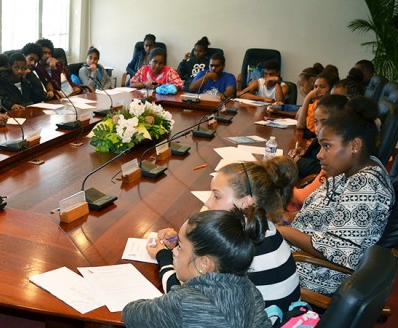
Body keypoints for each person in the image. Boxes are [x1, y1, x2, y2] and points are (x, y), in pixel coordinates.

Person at [153, 159, 301, 317]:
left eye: (217, 196)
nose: (208, 203)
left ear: (245, 203)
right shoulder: (266, 229)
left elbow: (185, 301)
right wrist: (184, 245)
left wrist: (163, 257)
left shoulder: (236, 250)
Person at [278, 99, 394, 295]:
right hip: (299, 254)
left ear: (355, 145)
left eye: (327, 146)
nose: (319, 155)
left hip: (317, 273)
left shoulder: (366, 186)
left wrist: (282, 231)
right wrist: (283, 220)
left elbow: (340, 251)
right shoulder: (349, 171)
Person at [123, 208, 272, 328]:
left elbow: (131, 315)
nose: (174, 251)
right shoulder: (250, 290)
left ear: (203, 264)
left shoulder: (184, 302)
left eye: (180, 247)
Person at [291, 95, 349, 181]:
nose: (317, 129)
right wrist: (304, 152)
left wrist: (299, 161)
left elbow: (321, 170)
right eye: (316, 122)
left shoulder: (341, 147)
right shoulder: (320, 139)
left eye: (325, 122)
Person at [296, 65, 339, 138]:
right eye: (315, 87)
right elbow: (300, 124)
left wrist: (307, 97)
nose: (317, 91)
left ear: (331, 89)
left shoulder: (333, 108)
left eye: (322, 87)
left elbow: (301, 126)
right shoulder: (316, 103)